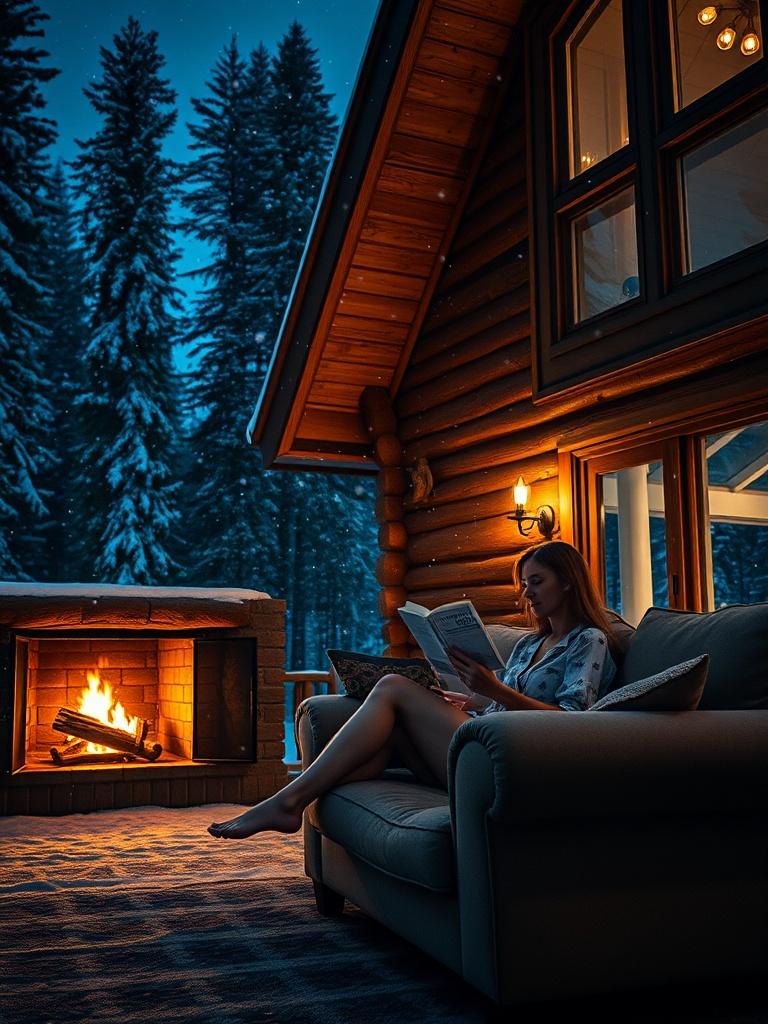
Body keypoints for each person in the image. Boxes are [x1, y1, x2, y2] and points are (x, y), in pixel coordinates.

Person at [207, 540, 621, 840]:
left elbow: (575, 722)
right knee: (388, 732)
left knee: (392, 687)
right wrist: (469, 697)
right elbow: (495, 702)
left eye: (536, 582)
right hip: (477, 735)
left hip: (509, 760)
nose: (526, 593)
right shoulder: (531, 642)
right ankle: (295, 800)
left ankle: (285, 802)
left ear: (567, 582)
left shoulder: (589, 642)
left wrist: (497, 691)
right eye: (524, 584)